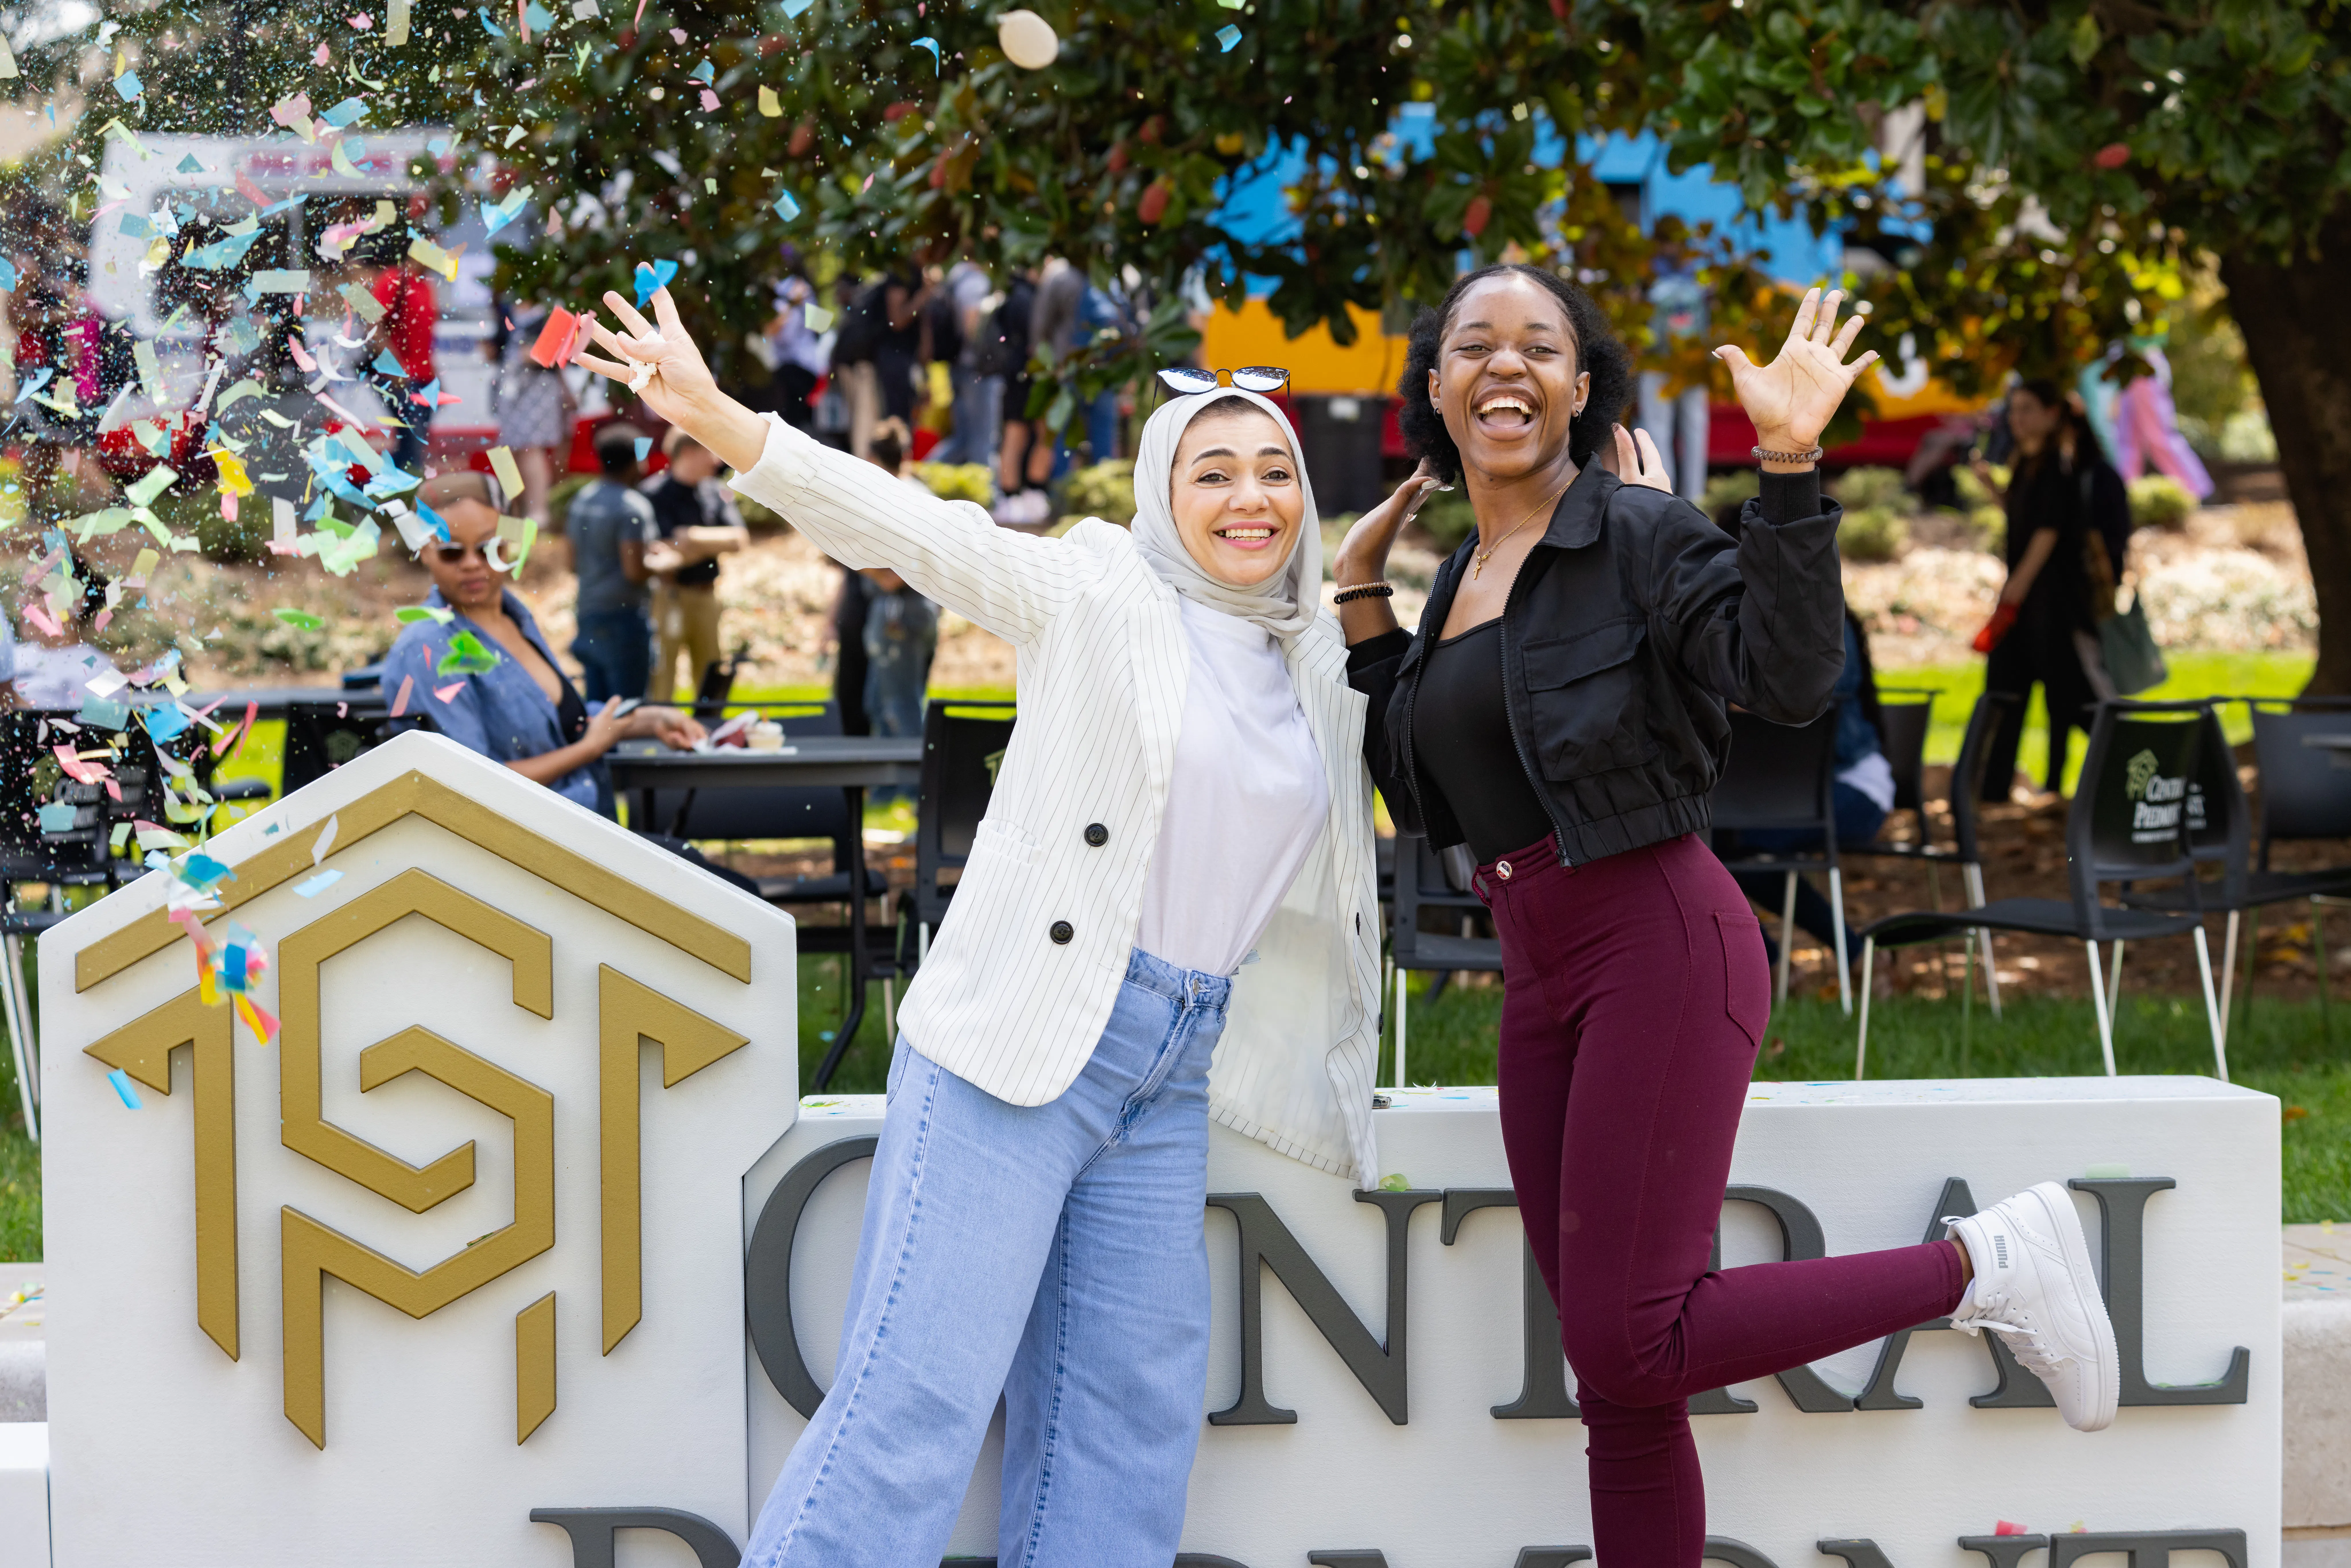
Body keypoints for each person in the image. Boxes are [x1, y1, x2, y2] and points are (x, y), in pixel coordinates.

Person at [577, 285, 1382, 1568]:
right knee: (917, 1406)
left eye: (1275, 472)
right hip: (1025, 1039)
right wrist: (727, 419)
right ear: (1161, 493)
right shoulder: (1100, 593)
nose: (1249, 498)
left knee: (1125, 1432)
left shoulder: (1315, 660)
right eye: (1213, 471)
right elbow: (913, 528)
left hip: (1171, 1070)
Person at [1334, 265, 2120, 1564]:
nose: (1506, 365)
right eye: (1475, 345)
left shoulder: (1637, 536)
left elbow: (1789, 678)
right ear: (1435, 387)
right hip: (1540, 978)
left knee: (1635, 1334)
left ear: (1583, 388)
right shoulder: (1460, 572)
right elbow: (1427, 787)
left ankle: (1983, 1267)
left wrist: (1794, 463)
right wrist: (1369, 608)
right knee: (1620, 1378)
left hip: (1655, 937)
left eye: (1542, 344)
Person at [1969, 378, 2134, 800]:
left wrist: (2014, 591)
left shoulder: (2060, 468)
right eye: (2014, 409)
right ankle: (1991, 791)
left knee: (2074, 698)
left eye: (2027, 409)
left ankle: (2135, 769)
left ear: (2050, 414)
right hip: (2026, 604)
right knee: (2004, 692)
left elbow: (2048, 531)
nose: (2018, 418)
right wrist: (1991, 487)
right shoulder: (2027, 463)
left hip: (2053, 605)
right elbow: (2024, 515)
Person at [1722, 610, 1894, 971]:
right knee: (1714, 845)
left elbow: (1811, 701)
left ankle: (1785, 964)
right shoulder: (1744, 618)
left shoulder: (1826, 621)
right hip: (1782, 795)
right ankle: (1773, 964)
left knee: (1735, 847)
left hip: (1854, 789)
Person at [642, 427, 750, 701]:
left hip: (707, 595)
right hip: (669, 596)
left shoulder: (715, 492)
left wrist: (689, 537)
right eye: (709, 451)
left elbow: (739, 539)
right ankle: (659, 734)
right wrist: (712, 544)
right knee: (662, 672)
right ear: (688, 452)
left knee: (711, 672)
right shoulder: (654, 494)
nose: (717, 460)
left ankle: (709, 733)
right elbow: (660, 551)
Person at [567, 422, 660, 703]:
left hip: (588, 611)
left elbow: (571, 563)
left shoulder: (582, 500)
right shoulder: (631, 507)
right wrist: (668, 563)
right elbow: (634, 571)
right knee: (627, 711)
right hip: (624, 617)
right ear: (633, 461)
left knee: (597, 709)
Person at [492, 298, 577, 528]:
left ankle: (538, 512)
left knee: (532, 448)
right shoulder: (505, 308)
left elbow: (557, 355)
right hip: (510, 388)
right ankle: (514, 513)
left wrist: (529, 353)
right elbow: (498, 349)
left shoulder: (551, 310)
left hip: (538, 389)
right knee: (510, 451)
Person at [367, 247, 438, 476]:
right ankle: (402, 497)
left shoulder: (425, 286)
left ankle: (395, 491)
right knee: (412, 444)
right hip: (401, 377)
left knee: (413, 443)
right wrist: (393, 367)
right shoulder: (393, 280)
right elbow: (372, 325)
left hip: (423, 378)